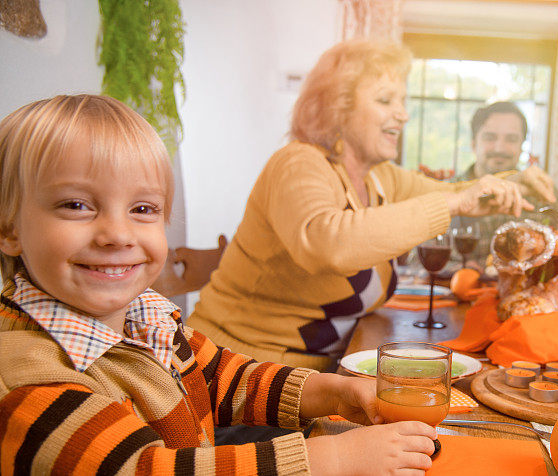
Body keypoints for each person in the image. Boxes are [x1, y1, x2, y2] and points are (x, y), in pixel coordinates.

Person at [0, 94, 438, 475]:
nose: (118, 233)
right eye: (76, 205)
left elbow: (219, 377)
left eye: (143, 209)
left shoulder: (142, 315)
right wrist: (332, 460)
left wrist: (333, 392)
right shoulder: (27, 378)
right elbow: (141, 469)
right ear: (8, 229)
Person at [188, 39, 556, 370]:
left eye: (402, 100)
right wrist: (453, 202)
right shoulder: (297, 163)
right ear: (338, 108)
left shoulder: (381, 177)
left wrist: (516, 180)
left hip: (308, 375)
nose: (404, 114)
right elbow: (329, 243)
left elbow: (455, 189)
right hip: (234, 377)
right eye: (385, 100)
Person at [451, 101, 558, 268]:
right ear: (473, 143)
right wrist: (461, 270)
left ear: (521, 147)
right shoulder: (447, 196)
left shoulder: (546, 195)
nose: (500, 148)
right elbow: (417, 263)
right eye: (490, 137)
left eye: (511, 139)